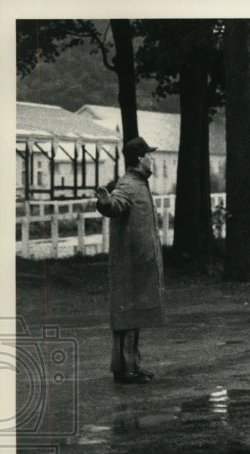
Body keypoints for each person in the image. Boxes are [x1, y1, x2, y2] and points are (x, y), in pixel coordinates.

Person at [95, 136, 165, 384]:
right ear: (139, 158)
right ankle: (124, 369)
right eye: (149, 155)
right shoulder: (128, 184)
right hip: (129, 263)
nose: (152, 159)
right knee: (126, 314)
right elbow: (115, 205)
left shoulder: (138, 183)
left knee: (133, 314)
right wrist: (104, 202)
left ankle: (132, 365)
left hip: (138, 261)